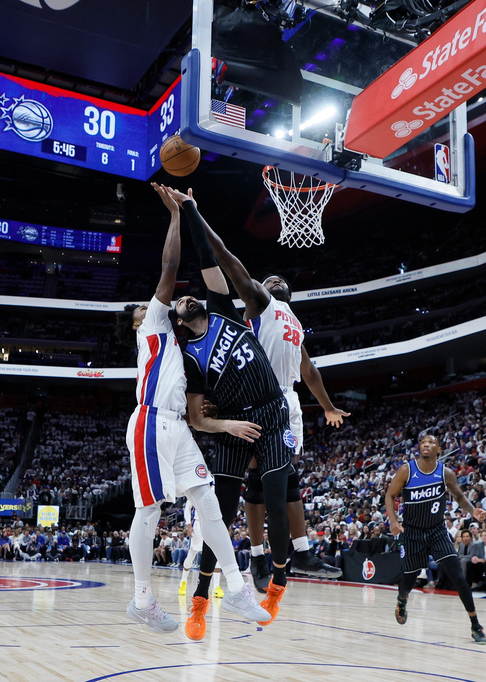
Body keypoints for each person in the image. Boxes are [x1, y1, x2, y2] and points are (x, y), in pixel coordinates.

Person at [114, 183, 269, 636]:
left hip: (178, 428)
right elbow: (169, 267)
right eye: (147, 307)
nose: (154, 304)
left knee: (209, 502)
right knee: (149, 512)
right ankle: (142, 600)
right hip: (148, 422)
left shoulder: (182, 349)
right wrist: (176, 215)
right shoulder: (154, 328)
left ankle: (237, 588)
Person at [165, 186, 296, 636]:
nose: (187, 296)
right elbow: (197, 419)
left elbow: (207, 258)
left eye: (188, 295)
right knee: (216, 515)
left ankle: (277, 582)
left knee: (277, 505)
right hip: (233, 428)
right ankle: (200, 601)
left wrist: (190, 211)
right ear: (179, 321)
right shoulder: (190, 360)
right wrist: (229, 424)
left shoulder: (221, 308)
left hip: (274, 413)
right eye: (180, 300)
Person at [198, 220, 348, 590]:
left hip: (288, 400)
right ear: (260, 291)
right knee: (256, 481)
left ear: (290, 294)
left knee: (287, 479)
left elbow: (308, 368)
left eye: (281, 279)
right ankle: (259, 556)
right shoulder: (259, 306)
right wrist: (208, 236)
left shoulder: (293, 321)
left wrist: (327, 407)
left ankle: (299, 550)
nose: (275, 280)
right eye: (269, 279)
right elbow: (235, 268)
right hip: (257, 398)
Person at [385, 434, 486, 644]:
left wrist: (472, 512)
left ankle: (475, 625)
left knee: (458, 576)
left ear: (438, 450)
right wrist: (393, 521)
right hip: (412, 532)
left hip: (437, 531)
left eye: (431, 442)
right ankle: (402, 599)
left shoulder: (445, 473)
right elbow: (390, 495)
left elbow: (459, 497)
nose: (426, 444)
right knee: (408, 580)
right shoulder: (407, 470)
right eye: (423, 441)